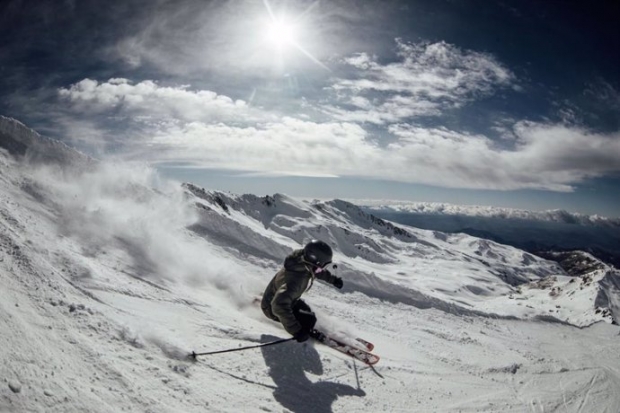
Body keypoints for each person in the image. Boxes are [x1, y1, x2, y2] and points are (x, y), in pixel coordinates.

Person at [261, 240, 344, 343]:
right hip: (271, 308)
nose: (321, 269)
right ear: (315, 263)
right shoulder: (295, 282)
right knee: (309, 320)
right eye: (322, 266)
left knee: (308, 312)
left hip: (279, 297)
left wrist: (333, 280)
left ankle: (304, 326)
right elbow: (278, 306)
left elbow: (317, 272)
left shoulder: (301, 261)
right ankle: (306, 331)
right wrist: (297, 331)